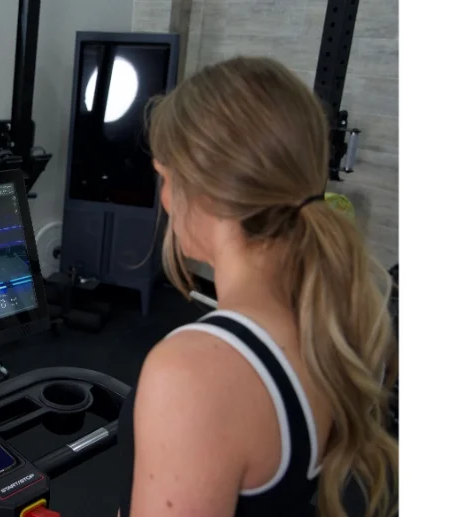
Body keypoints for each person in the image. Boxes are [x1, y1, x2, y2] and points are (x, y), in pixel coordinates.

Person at [118, 57, 398, 517]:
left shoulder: (193, 375)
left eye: (166, 179)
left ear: (205, 191)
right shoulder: (325, 322)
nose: (165, 200)